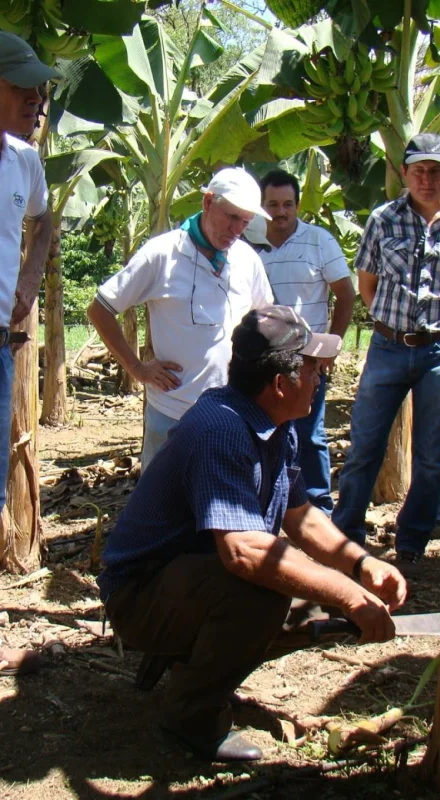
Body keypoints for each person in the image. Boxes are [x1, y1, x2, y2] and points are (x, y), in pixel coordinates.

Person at [97, 305, 406, 762]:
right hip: (140, 596)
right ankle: (192, 717)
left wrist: (361, 566)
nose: (321, 376)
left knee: (308, 602)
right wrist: (349, 594)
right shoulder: (221, 429)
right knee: (261, 594)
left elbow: (301, 516)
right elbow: (243, 553)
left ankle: (204, 669)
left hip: (188, 581)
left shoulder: (274, 422)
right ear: (280, 383)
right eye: (313, 367)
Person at [87, 167, 273, 469]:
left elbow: (264, 318)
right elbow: (100, 309)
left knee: (216, 504)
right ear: (208, 202)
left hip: (232, 410)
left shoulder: (246, 258)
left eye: (245, 221)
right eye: (231, 217)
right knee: (159, 507)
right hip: (173, 411)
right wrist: (136, 367)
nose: (237, 229)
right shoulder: (162, 255)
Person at [0, 31, 57, 673]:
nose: (38, 99)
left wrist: (29, 281)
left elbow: (46, 221)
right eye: (24, 88)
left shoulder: (25, 162)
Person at [332, 133, 440, 578]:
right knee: (365, 447)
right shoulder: (383, 219)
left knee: (433, 457)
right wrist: (389, 324)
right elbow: (367, 283)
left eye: (435, 171)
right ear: (403, 172)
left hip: (436, 351)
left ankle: (411, 544)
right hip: (387, 346)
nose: (427, 179)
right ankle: (345, 540)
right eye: (419, 170)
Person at [244, 169, 355, 515]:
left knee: (309, 434)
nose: (280, 212)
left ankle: (318, 508)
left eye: (287, 204)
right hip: (261, 361)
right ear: (261, 206)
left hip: (309, 357)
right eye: (272, 205)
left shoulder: (319, 241)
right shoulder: (246, 243)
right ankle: (269, 505)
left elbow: (346, 294)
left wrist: (331, 345)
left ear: (298, 205)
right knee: (263, 433)